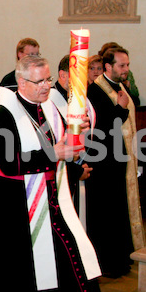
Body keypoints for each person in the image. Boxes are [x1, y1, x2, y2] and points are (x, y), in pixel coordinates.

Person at [0, 55, 109, 292]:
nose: (47, 86)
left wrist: (72, 159)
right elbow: (8, 163)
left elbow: (58, 148)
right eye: (39, 81)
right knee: (13, 274)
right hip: (12, 206)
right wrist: (55, 154)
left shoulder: (45, 109)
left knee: (62, 259)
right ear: (21, 82)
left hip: (47, 195)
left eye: (48, 79)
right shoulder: (4, 116)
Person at [86, 47, 145, 278]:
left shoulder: (120, 86)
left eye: (128, 65)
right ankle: (108, 263)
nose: (126, 70)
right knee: (106, 215)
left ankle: (122, 258)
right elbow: (99, 128)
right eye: (122, 65)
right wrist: (119, 110)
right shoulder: (95, 91)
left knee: (119, 212)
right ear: (108, 67)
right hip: (103, 163)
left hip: (121, 159)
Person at [49, 54, 96, 228]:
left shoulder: (83, 100)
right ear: (63, 75)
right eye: (79, 75)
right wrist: (76, 170)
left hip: (82, 169)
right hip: (64, 173)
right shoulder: (51, 101)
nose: (84, 80)